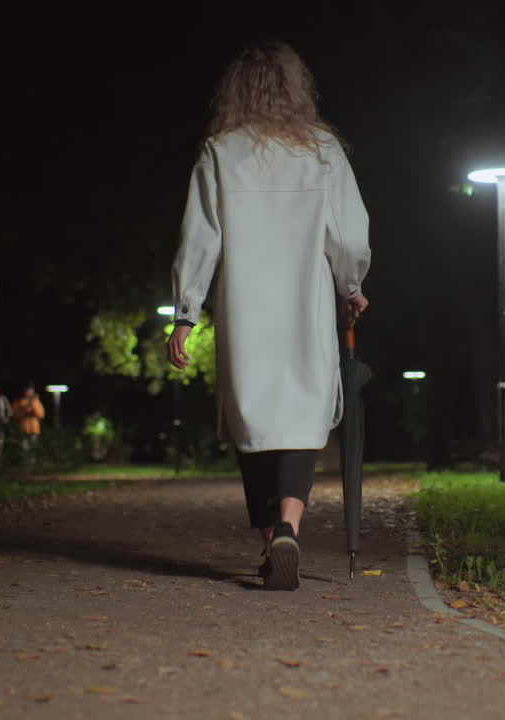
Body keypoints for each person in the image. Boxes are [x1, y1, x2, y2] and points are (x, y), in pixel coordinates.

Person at [167, 41, 371, 591]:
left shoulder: (219, 150)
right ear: (295, 88)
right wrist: (351, 285)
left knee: (253, 422)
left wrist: (186, 312)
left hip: (245, 306)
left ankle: (270, 544)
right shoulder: (323, 149)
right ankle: (289, 526)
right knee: (301, 421)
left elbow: (200, 237)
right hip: (305, 303)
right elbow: (348, 236)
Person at [10, 384, 45, 451]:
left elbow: (41, 415)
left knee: (33, 448)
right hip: (23, 429)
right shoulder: (20, 401)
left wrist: (33, 405)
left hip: (34, 429)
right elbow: (15, 414)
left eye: (30, 391)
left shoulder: (36, 401)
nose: (29, 392)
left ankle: (33, 461)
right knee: (24, 448)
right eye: (27, 391)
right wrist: (25, 410)